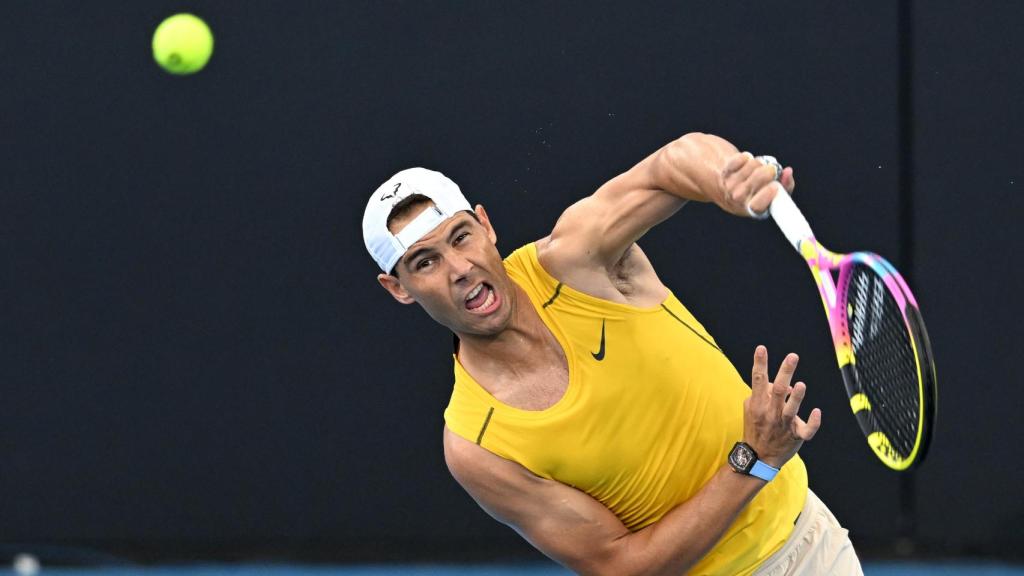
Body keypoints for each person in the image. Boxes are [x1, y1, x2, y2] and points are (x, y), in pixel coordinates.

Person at [361, 132, 863, 575]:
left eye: (462, 237)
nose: (460, 268)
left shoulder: (576, 259)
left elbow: (671, 165)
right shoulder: (477, 445)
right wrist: (753, 461)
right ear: (398, 288)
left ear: (487, 226)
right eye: (425, 262)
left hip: (810, 547)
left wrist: (728, 178)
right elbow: (622, 565)